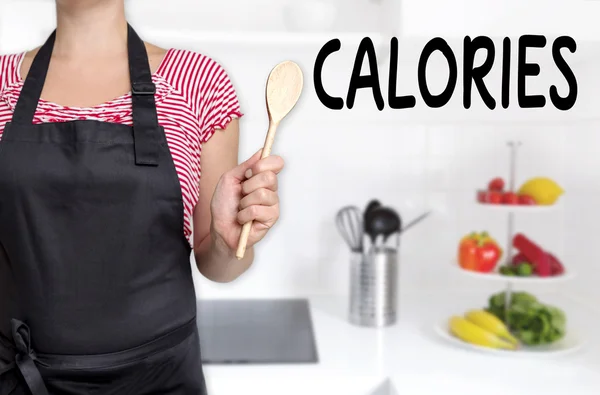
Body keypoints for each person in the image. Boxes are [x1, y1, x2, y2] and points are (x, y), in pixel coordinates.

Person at [0, 0, 284, 393]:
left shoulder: (198, 82)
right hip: (23, 380)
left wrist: (227, 240)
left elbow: (219, 265)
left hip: (160, 381)